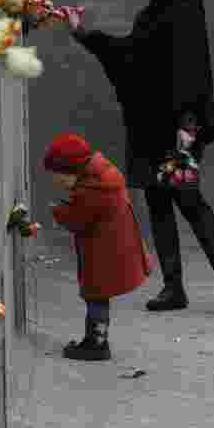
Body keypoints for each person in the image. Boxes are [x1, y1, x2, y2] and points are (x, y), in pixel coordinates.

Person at [65, 0, 214, 316]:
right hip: (150, 129)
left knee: (188, 200)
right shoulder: (152, 15)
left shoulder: (184, 12)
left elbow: (192, 75)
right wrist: (83, 34)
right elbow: (129, 58)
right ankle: (173, 288)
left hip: (179, 130)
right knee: (158, 200)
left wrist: (188, 127)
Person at [44, 133, 151, 361]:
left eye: (59, 177)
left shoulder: (94, 188)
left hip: (104, 251)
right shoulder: (99, 177)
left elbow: (78, 219)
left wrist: (58, 211)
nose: (57, 183)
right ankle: (95, 340)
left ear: (72, 170)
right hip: (109, 245)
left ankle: (96, 344)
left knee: (96, 295)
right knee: (97, 296)